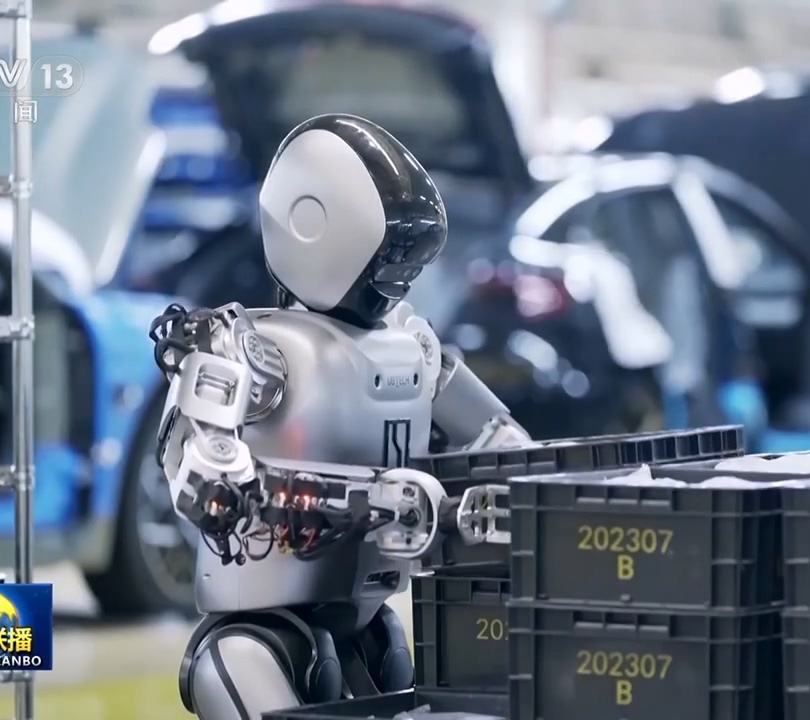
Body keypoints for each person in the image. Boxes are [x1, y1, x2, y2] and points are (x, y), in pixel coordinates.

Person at [152, 114, 530, 717]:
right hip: (256, 637)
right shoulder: (247, 349)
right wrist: (364, 501)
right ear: (313, 226)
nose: (398, 280)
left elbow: (503, 441)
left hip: (369, 626)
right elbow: (201, 474)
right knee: (241, 669)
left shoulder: (411, 346)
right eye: (391, 260)